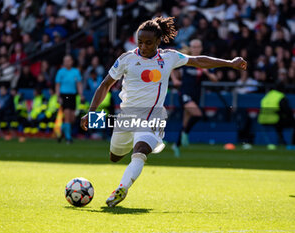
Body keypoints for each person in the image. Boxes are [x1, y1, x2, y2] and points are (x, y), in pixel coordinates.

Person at [80, 17, 247, 208]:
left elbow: (198, 61)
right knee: (114, 157)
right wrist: (91, 112)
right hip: (126, 119)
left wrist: (230, 62)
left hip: (152, 119)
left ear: (158, 41)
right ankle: (130, 159)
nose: (143, 46)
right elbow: (105, 85)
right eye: (140, 42)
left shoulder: (169, 57)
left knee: (141, 150)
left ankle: (121, 189)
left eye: (148, 42)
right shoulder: (126, 59)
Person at [170, 39, 219, 157]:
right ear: (190, 48)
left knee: (185, 123)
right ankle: (185, 134)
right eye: (194, 47)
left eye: (198, 47)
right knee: (198, 114)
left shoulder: (204, 62)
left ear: (201, 48)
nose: (196, 49)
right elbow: (171, 67)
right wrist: (175, 80)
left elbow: (215, 79)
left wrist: (206, 72)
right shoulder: (185, 59)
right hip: (184, 93)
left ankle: (176, 145)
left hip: (196, 95)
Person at [55, 55, 84, 143]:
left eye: (69, 60)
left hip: (73, 96)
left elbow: (79, 84)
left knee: (72, 119)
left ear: (72, 61)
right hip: (64, 95)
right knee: (67, 116)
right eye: (65, 60)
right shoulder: (60, 72)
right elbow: (57, 85)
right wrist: (58, 96)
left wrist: (81, 94)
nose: (67, 62)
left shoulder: (76, 72)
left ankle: (61, 131)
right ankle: (68, 138)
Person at [258, 83, 295, 149]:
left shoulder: (268, 95)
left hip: (262, 119)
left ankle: (280, 141)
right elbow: (286, 110)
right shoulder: (280, 96)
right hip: (274, 119)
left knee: (279, 125)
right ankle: (291, 143)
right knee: (291, 122)